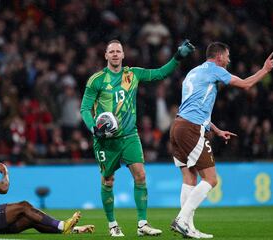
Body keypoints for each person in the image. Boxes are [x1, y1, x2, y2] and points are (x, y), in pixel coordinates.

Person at [80, 39, 195, 237]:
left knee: (140, 175)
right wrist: (93, 128)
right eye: (112, 52)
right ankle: (112, 224)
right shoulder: (96, 80)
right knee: (108, 180)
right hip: (105, 140)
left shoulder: (133, 74)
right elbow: (84, 109)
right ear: (106, 56)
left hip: (129, 135)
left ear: (123, 55)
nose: (115, 54)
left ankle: (142, 224)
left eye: (118, 51)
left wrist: (177, 58)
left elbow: (160, 73)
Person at [169, 42, 273, 238]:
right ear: (218, 57)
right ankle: (182, 220)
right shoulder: (215, 70)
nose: (229, 60)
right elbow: (246, 84)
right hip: (191, 129)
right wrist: (264, 70)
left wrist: (216, 130)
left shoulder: (193, 72)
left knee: (190, 178)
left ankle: (188, 227)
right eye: (227, 56)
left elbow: (194, 107)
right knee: (211, 179)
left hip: (177, 126)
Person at [0, 147, 94, 235]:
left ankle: (70, 229)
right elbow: (3, 189)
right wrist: (6, 173)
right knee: (24, 206)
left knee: (30, 219)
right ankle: (62, 225)